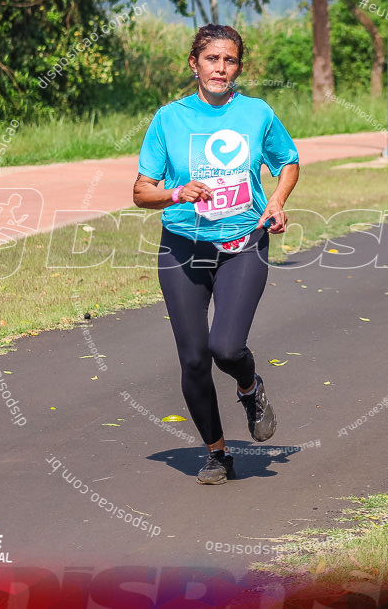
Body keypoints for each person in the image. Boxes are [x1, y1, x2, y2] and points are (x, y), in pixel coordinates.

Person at [133, 24, 300, 485]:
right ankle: (217, 453)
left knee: (225, 347)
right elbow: (140, 191)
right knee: (192, 359)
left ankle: (250, 388)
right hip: (183, 247)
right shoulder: (169, 119)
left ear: (237, 67)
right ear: (195, 64)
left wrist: (277, 201)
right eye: (211, 60)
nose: (220, 69)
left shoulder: (257, 113)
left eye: (229, 61)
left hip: (242, 242)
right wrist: (175, 193)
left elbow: (288, 160)